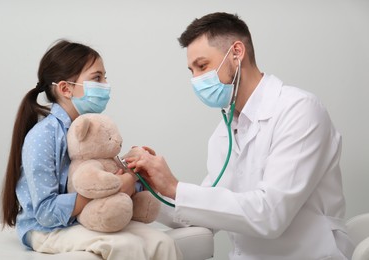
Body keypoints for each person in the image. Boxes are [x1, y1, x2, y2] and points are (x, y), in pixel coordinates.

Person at [126, 12, 355, 259]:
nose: (196, 80)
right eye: (191, 71)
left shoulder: (299, 110)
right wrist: (145, 188)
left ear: (237, 53)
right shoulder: (222, 135)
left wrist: (174, 187)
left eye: (202, 66)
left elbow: (270, 216)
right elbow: (200, 218)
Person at [0, 40, 181, 260]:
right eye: (97, 78)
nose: (106, 84)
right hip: (45, 229)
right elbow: (45, 212)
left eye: (105, 76)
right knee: (127, 246)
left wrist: (131, 170)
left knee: (163, 243)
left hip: (85, 218)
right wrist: (114, 188)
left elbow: (99, 175)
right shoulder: (43, 136)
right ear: (66, 88)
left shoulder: (93, 128)